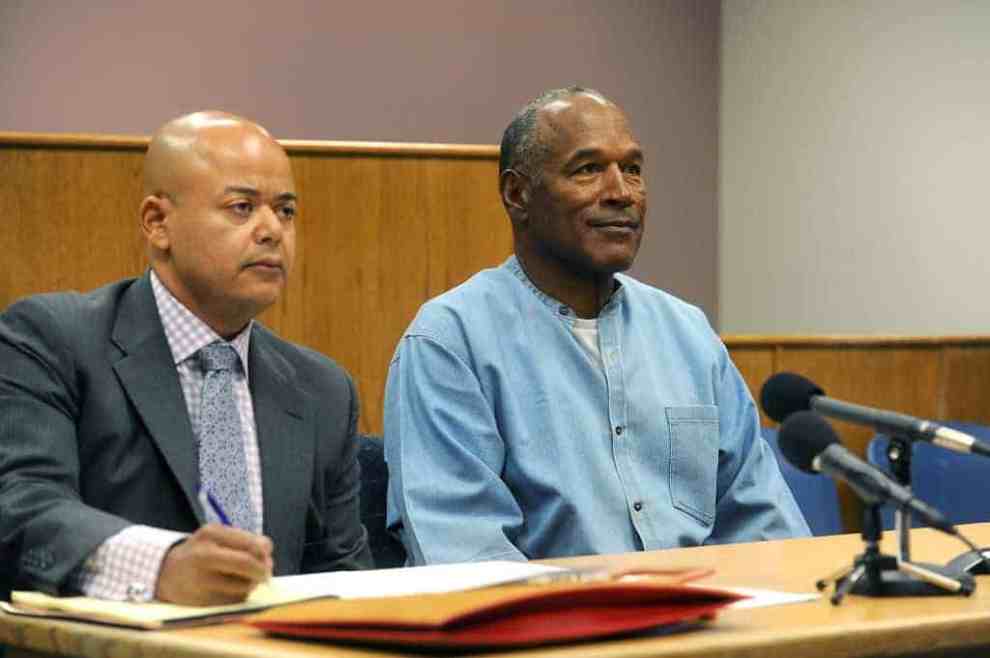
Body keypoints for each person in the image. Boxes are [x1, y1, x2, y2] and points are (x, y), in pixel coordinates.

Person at [384, 87, 810, 565]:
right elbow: (465, 556)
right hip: (551, 633)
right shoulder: (450, 341)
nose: (621, 193)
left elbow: (765, 526)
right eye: (588, 170)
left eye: (632, 169)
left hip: (704, 628)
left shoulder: (688, 335)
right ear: (517, 194)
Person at [0, 112, 371, 605]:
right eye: (242, 207)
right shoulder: (53, 339)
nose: (272, 231)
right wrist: (162, 568)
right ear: (158, 223)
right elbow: (23, 507)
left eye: (285, 211)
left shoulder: (323, 389)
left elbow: (343, 576)